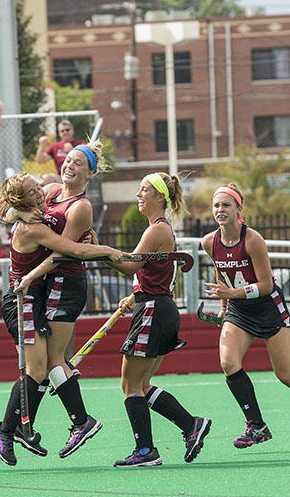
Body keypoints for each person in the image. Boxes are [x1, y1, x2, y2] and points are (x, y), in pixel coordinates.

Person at [0, 160, 122, 466]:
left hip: (35, 298)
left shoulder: (40, 206)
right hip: (22, 300)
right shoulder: (31, 226)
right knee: (39, 369)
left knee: (48, 365)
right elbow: (70, 250)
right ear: (28, 198)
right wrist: (108, 251)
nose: (43, 188)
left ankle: (20, 429)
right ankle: (6, 431)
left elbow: (7, 210)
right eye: (36, 189)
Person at [201, 183, 290, 450]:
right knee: (228, 362)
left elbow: (265, 284)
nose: (220, 210)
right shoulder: (209, 242)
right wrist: (224, 304)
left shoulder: (253, 240)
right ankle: (256, 425)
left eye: (226, 205)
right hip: (239, 311)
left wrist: (233, 292)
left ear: (239, 208)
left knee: (286, 374)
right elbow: (222, 272)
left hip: (267, 309)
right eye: (216, 205)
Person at [98, 172, 212, 467]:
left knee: (130, 383)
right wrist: (135, 295)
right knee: (143, 383)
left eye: (144, 189)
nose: (139, 194)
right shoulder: (159, 229)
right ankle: (191, 426)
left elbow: (128, 266)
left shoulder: (157, 230)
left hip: (153, 310)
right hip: (156, 307)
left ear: (159, 196)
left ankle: (147, 451)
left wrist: (98, 251)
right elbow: (150, 274)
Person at [35, 120, 84, 185]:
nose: (65, 132)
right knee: (47, 178)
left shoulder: (80, 144)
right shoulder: (55, 146)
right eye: (62, 131)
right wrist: (41, 145)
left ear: (72, 130)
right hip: (61, 177)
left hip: (77, 176)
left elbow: (84, 162)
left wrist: (72, 151)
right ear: (59, 133)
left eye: (67, 130)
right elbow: (40, 161)